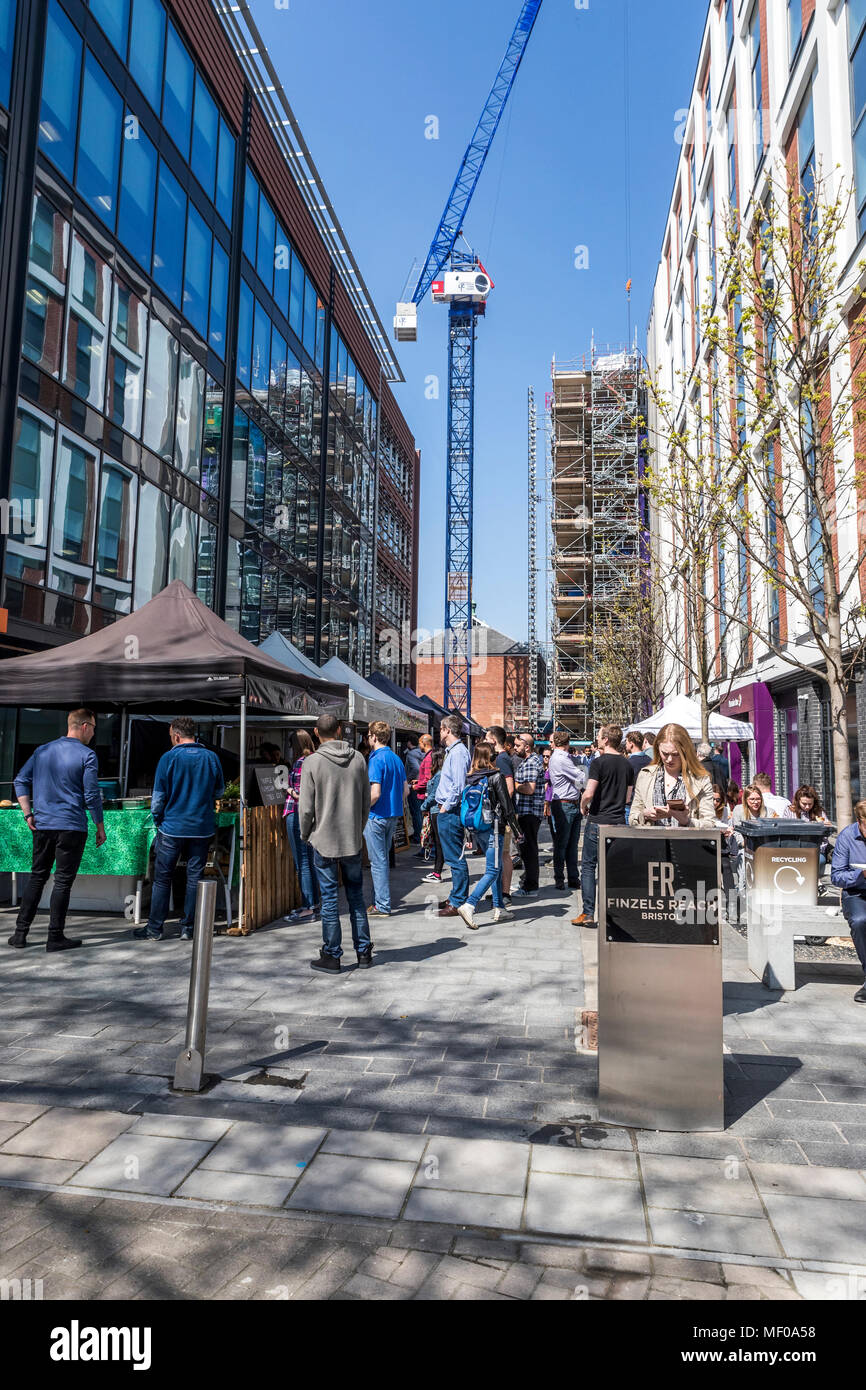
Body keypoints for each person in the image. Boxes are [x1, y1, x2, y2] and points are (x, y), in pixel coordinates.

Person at [9, 709, 106, 952]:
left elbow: (20, 780)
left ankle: (20, 934)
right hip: (71, 826)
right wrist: (99, 826)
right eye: (93, 727)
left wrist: (28, 813)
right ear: (84, 726)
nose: (94, 733)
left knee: (37, 876)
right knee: (62, 882)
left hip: (44, 824)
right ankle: (55, 937)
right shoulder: (88, 755)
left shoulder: (42, 750)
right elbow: (92, 794)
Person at [134, 717, 225, 942]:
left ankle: (155, 928)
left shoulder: (169, 758)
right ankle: (189, 927)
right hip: (201, 827)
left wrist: (158, 819)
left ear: (176, 735)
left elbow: (158, 798)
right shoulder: (211, 757)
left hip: (172, 827)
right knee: (195, 877)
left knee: (162, 878)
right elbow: (220, 790)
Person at [297, 713, 372, 972]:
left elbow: (305, 807)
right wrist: (357, 829)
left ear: (317, 733)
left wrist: (305, 833)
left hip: (324, 839)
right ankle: (363, 951)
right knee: (356, 897)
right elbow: (365, 803)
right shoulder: (359, 759)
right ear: (339, 730)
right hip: (351, 838)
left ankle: (332, 954)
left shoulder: (313, 762)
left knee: (329, 899)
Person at [574, 725, 634, 929]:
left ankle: (588, 913)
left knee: (589, 867)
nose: (597, 739)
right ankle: (613, 914)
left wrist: (583, 806)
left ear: (606, 740)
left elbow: (589, 793)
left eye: (599, 736)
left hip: (598, 821)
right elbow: (627, 797)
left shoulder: (599, 762)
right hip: (618, 821)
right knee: (612, 869)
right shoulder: (627, 765)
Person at [458, 743, 522, 929]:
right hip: (495, 828)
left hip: (480, 828)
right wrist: (517, 831)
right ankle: (470, 905)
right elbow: (507, 807)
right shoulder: (495, 777)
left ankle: (499, 907)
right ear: (490, 757)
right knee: (493, 870)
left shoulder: (471, 778)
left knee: (497, 867)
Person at [629, 723, 715, 829]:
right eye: (665, 753)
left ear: (685, 752)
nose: (669, 759)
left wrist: (686, 821)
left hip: (687, 843)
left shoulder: (701, 779)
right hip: (651, 843)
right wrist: (645, 815)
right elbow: (632, 818)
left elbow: (710, 824)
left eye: (675, 754)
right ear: (657, 749)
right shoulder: (645, 775)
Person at [363, 721, 408, 917]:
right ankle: (378, 902)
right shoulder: (396, 758)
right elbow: (406, 790)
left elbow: (375, 793)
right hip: (393, 814)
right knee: (381, 861)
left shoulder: (376, 759)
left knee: (378, 862)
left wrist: (361, 809)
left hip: (376, 815)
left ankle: (382, 904)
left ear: (373, 736)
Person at [435, 714, 472, 917]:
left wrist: (446, 807)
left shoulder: (458, 753)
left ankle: (458, 900)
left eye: (441, 729)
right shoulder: (453, 752)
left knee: (455, 858)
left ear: (447, 730)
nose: (439, 733)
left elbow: (458, 785)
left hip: (450, 811)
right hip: (447, 809)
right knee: (452, 857)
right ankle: (456, 896)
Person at [829, 800, 866, 1003]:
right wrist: (861, 875)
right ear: (860, 822)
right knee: (860, 921)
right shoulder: (847, 837)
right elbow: (836, 876)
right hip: (856, 893)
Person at [282, 731, 319, 923]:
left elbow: (299, 793)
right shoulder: (315, 759)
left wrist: (287, 789)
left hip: (296, 812)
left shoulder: (300, 762)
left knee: (302, 862)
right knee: (309, 860)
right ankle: (314, 903)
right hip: (311, 815)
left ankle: (308, 907)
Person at [549, 731, 585, 892]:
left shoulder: (559, 757)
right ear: (567, 743)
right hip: (566, 803)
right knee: (564, 844)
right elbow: (580, 776)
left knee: (568, 843)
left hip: (569, 802)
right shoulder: (561, 758)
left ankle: (569, 877)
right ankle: (563, 878)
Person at [513, 733, 546, 898]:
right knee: (526, 849)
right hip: (528, 811)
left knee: (529, 850)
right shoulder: (528, 761)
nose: (514, 748)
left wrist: (514, 784)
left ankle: (530, 887)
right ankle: (527, 882)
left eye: (517, 745)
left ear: (527, 747)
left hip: (530, 812)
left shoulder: (531, 762)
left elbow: (530, 789)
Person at [486, 726, 516, 899]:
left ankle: (505, 892)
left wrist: (500, 810)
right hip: (501, 815)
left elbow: (509, 788)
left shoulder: (502, 759)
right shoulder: (499, 758)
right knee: (499, 853)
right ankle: (499, 890)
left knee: (504, 854)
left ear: (493, 740)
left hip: (504, 816)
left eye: (486, 737)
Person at [712, 782, 739, 917]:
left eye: (718, 799)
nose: (715, 802)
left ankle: (732, 904)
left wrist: (727, 832)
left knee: (726, 868)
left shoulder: (724, 810)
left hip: (720, 842)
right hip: (706, 843)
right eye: (713, 799)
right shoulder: (702, 809)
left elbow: (727, 825)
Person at [421, 748, 447, 883]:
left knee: (439, 842)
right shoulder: (438, 774)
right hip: (434, 811)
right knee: (438, 842)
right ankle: (436, 872)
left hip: (436, 811)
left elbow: (434, 795)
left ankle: (437, 872)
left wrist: (423, 806)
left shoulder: (439, 775)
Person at [412, 734, 435, 858]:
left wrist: (417, 786)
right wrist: (418, 782)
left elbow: (428, 779)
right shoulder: (429, 756)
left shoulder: (428, 758)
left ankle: (428, 851)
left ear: (424, 743)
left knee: (426, 824)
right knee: (426, 824)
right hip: (425, 794)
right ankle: (426, 850)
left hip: (425, 796)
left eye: (419, 743)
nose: (418, 746)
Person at [403, 736, 425, 844]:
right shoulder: (423, 753)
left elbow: (416, 768)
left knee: (415, 812)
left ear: (409, 742)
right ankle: (422, 836)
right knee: (421, 811)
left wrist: (407, 780)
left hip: (414, 786)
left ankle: (417, 836)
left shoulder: (411, 754)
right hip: (423, 785)